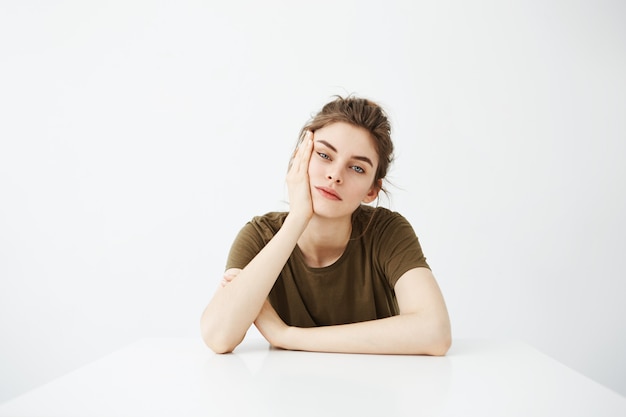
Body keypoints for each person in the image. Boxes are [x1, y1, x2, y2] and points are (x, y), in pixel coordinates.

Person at [200, 96, 451, 355]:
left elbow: (435, 333)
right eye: (323, 155)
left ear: (372, 190)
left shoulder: (387, 232)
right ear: (301, 156)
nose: (335, 175)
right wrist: (298, 218)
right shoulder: (260, 236)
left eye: (356, 168)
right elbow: (218, 337)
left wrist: (285, 335)